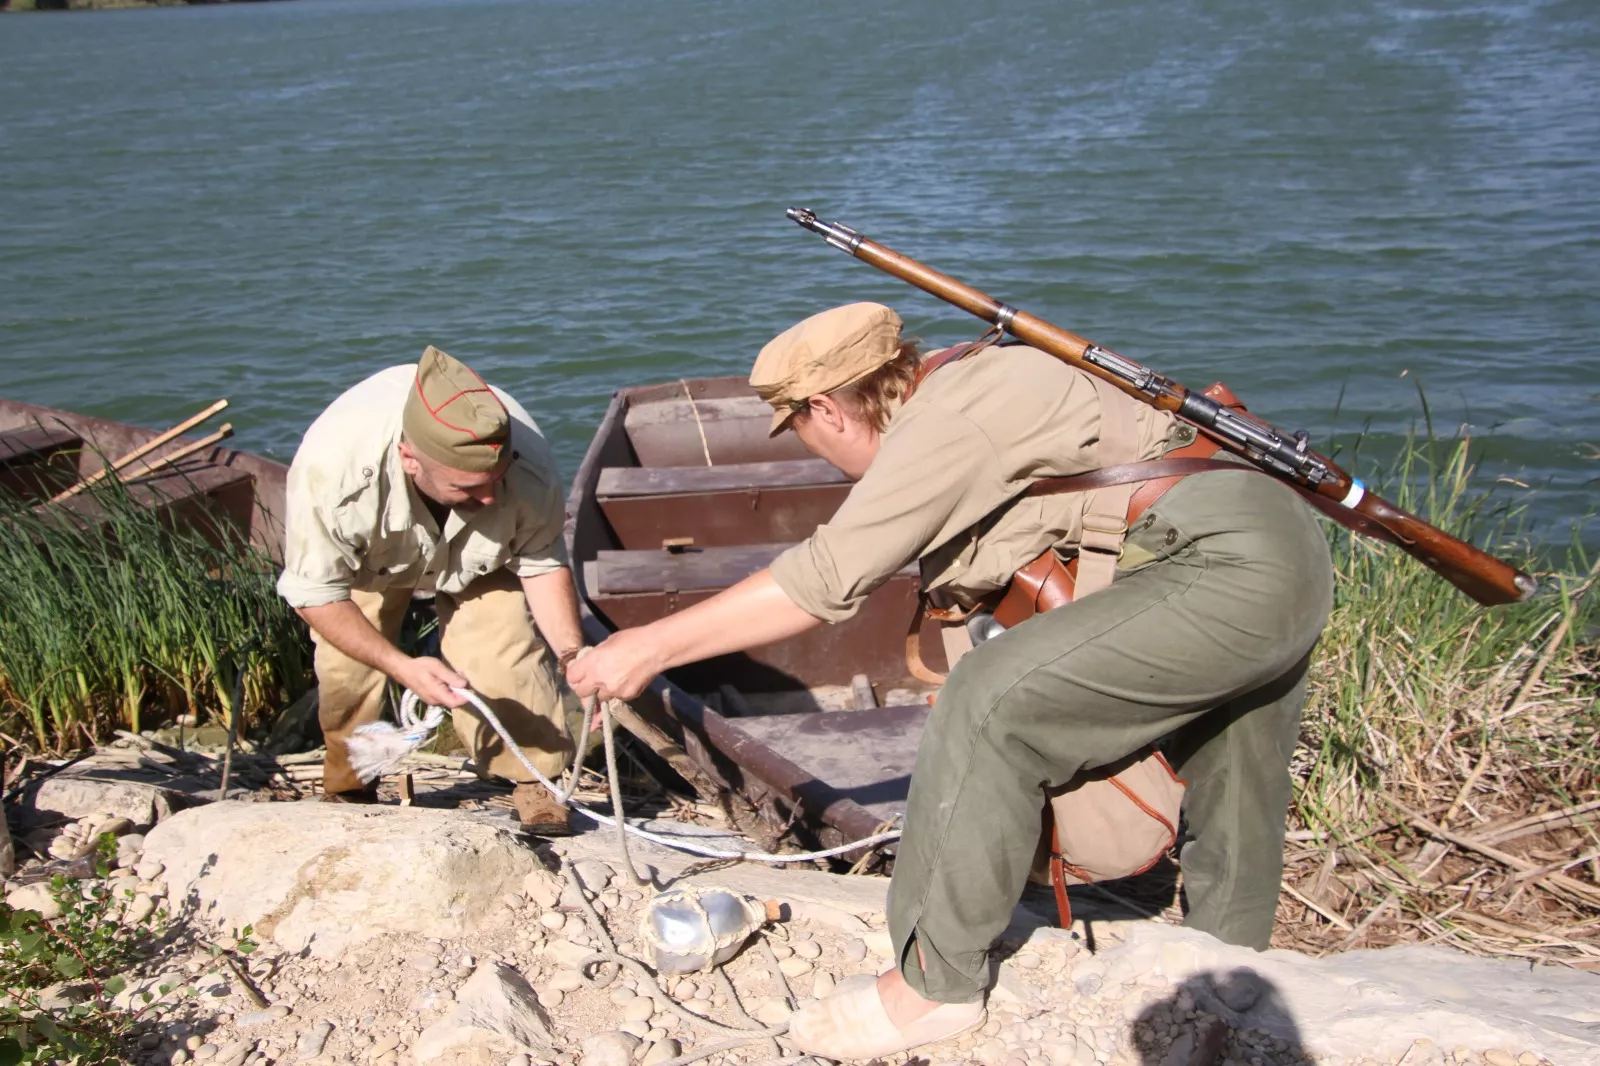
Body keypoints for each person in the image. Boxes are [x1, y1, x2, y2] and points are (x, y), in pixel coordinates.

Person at [567, 303, 1334, 1060]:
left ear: (826, 410)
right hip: (1283, 550)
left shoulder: (946, 420)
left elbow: (826, 578)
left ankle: (932, 989)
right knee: (1238, 771)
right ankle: (1231, 973)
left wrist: (647, 646)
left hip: (1216, 563)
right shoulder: (976, 378)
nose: (811, 447)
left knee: (986, 700)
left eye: (796, 427)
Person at [276, 345, 584, 834]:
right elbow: (316, 594)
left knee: (506, 651)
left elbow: (542, 565)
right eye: (467, 488)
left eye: (496, 481)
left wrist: (571, 655)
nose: (489, 497)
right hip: (373, 559)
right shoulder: (332, 477)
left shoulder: (528, 470)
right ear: (409, 459)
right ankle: (352, 783)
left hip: (480, 558)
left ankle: (533, 777)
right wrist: (403, 666)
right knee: (347, 671)